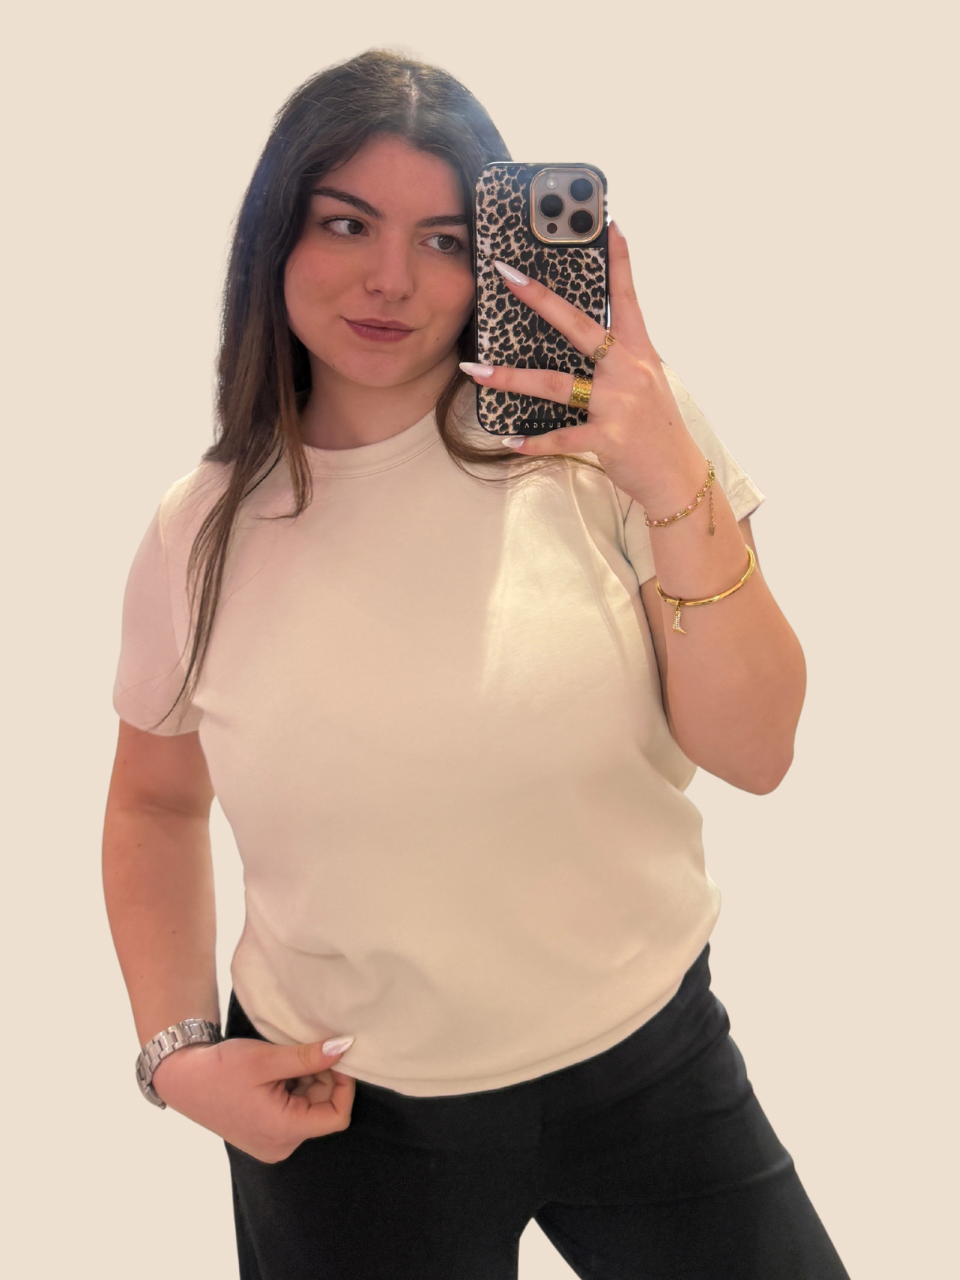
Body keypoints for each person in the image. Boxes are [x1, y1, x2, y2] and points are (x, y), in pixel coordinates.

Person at [102, 48, 850, 1280]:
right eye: (347, 222)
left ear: (497, 254)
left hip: (651, 1064)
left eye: (445, 239)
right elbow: (153, 802)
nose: (392, 279)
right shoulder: (201, 529)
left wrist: (670, 471)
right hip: (344, 1110)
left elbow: (757, 749)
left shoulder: (610, 443)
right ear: (274, 236)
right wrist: (176, 1054)